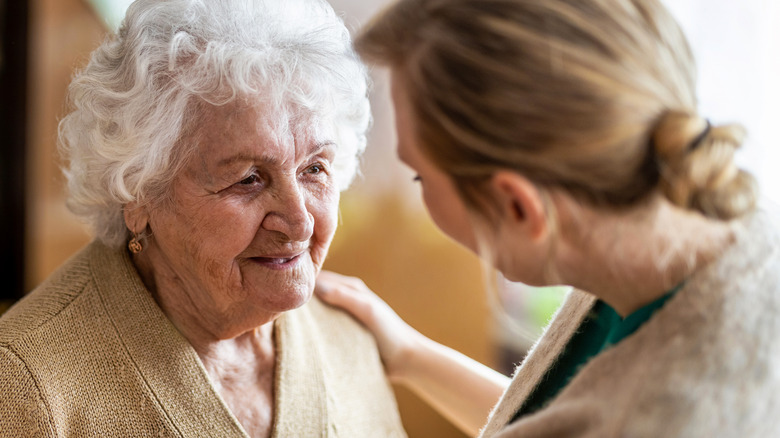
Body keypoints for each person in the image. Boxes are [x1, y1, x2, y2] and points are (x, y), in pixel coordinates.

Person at [315, 0, 780, 436]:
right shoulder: (678, 246)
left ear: (517, 206)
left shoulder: (686, 416)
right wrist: (409, 355)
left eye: (420, 177)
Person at [0, 0, 407, 436]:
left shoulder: (349, 337)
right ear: (138, 193)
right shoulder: (24, 386)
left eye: (314, 169)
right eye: (248, 179)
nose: (300, 222)